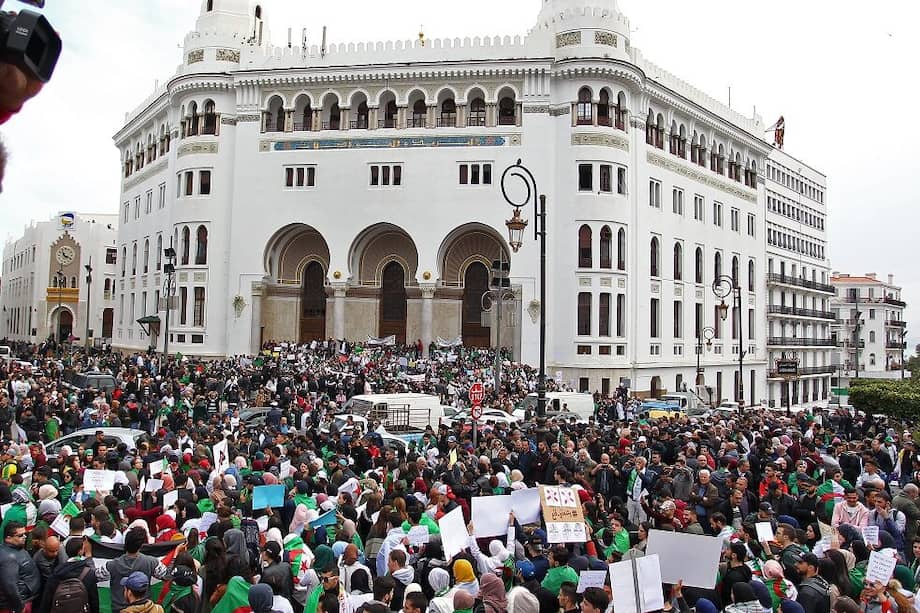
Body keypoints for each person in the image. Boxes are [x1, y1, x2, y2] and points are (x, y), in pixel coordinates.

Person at [94, 527, 175, 613]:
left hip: (119, 609)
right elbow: (167, 576)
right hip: (144, 609)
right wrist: (175, 555)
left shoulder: (112, 565)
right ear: (141, 545)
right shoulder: (151, 562)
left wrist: (88, 556)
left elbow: (94, 576)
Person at [39, 537, 99, 613]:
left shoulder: (56, 574)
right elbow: (94, 601)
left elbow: (46, 602)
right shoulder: (89, 573)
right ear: (80, 552)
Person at [0, 521, 40, 613]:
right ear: (8, 538)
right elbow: (10, 586)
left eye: (25, 534)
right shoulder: (8, 558)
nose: (25, 537)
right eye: (20, 535)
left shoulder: (17, 548)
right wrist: (19, 607)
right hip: (18, 604)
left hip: (26, 599)